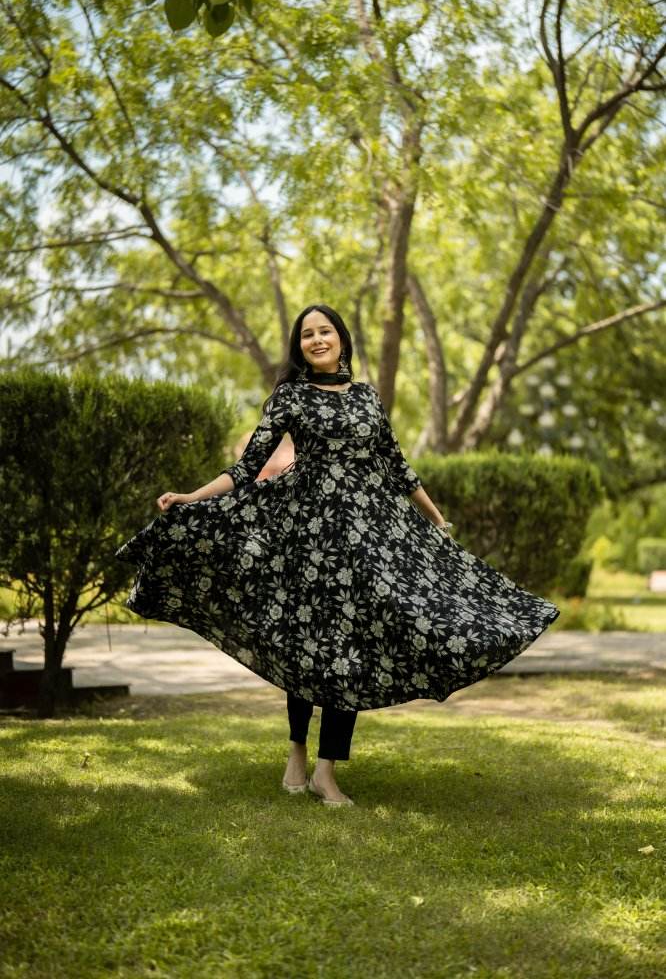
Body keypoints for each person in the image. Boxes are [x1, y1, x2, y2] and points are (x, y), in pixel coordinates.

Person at [115, 304, 560, 808]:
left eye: (325, 331)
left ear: (342, 339)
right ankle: (297, 752)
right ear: (299, 347)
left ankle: (326, 772)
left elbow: (396, 465)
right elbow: (246, 467)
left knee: (350, 650)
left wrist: (436, 519)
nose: (317, 340)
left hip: (369, 539)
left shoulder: (367, 397)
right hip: (309, 539)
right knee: (306, 644)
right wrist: (192, 497)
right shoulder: (290, 396)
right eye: (307, 335)